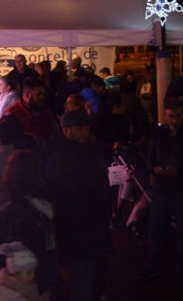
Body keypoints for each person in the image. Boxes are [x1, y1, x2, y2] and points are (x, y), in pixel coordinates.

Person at [0, 151, 56, 300]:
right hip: (21, 281)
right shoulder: (24, 209)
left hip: (6, 277)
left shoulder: (5, 200)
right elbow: (22, 246)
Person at [44, 110, 110, 300]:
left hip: (85, 227)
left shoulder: (83, 153)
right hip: (78, 228)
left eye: (87, 128)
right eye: (80, 128)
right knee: (83, 280)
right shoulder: (61, 158)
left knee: (85, 278)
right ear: (67, 131)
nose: (85, 132)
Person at [139, 99, 183, 286]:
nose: (175, 120)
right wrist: (154, 169)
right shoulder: (159, 134)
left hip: (182, 188)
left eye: (178, 116)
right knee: (156, 228)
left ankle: (180, 270)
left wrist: (178, 171)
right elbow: (150, 156)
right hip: (163, 187)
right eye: (171, 117)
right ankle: (156, 265)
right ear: (165, 116)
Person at [5, 78, 58, 149]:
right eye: (38, 94)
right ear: (27, 95)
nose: (42, 97)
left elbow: (53, 131)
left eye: (43, 94)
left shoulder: (45, 110)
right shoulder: (12, 113)